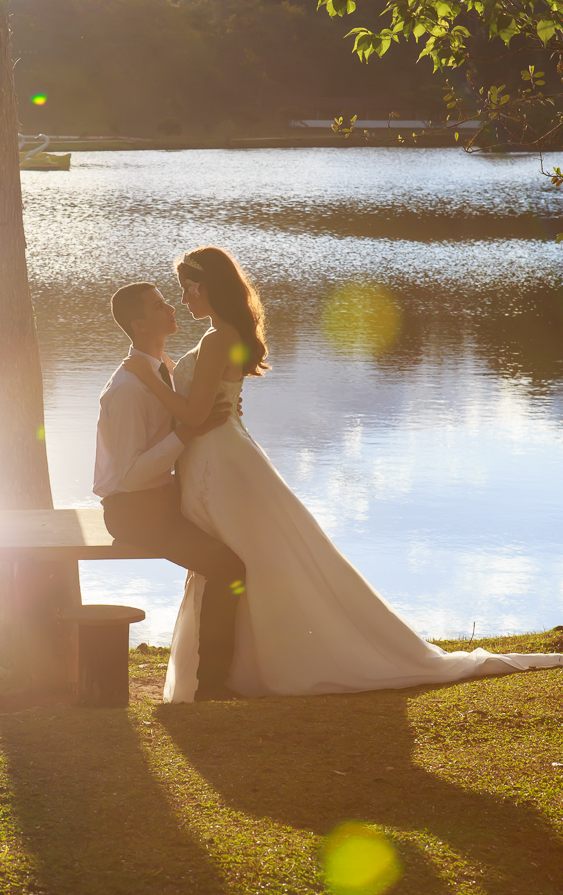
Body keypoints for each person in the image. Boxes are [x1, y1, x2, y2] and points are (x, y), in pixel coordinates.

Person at [122, 246, 563, 702]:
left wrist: (150, 378)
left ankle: (233, 672)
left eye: (187, 288)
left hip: (219, 465)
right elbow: (212, 409)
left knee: (237, 559)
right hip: (222, 458)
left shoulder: (218, 339)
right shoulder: (220, 335)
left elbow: (195, 417)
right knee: (237, 558)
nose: (183, 298)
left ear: (207, 286)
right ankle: (227, 670)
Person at [94, 281, 245, 700]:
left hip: (164, 500)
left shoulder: (163, 367)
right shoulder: (126, 390)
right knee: (228, 567)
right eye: (160, 306)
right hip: (134, 511)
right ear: (139, 324)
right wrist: (187, 432)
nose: (172, 309)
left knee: (247, 544)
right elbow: (129, 476)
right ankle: (213, 684)